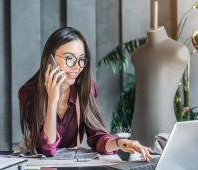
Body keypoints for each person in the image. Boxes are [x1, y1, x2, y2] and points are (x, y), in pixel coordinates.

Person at [18, 27, 151, 161]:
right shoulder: (29, 93)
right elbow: (47, 149)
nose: (77, 67)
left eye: (81, 59)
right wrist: (52, 100)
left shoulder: (86, 88)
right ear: (50, 58)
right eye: (69, 58)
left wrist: (120, 143)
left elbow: (97, 137)